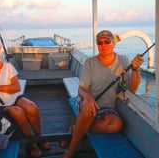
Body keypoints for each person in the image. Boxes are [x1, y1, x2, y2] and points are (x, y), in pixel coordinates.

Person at [62, 30, 144, 158]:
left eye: (107, 41)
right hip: (87, 102)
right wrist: (87, 98)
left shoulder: (123, 60)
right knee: (89, 110)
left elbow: (132, 90)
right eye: (99, 42)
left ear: (113, 44)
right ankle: (71, 149)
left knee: (116, 125)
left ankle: (75, 127)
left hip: (107, 107)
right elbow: (82, 88)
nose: (103, 45)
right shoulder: (90, 63)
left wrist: (135, 69)